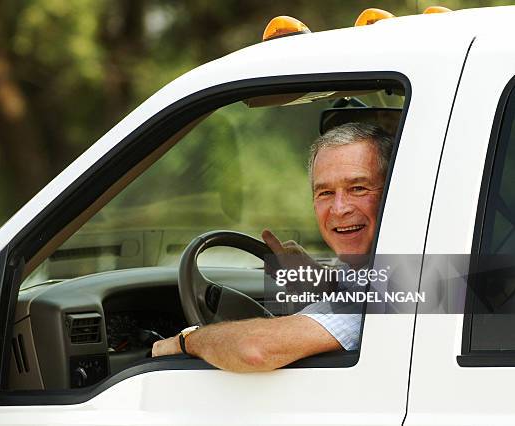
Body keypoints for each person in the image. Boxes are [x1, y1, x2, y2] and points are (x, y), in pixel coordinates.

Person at [152, 122, 393, 372]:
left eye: (358, 188)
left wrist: (185, 341)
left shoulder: (397, 283)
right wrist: (315, 279)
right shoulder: (371, 264)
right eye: (325, 193)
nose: (339, 208)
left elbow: (254, 350)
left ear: (392, 192)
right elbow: (350, 289)